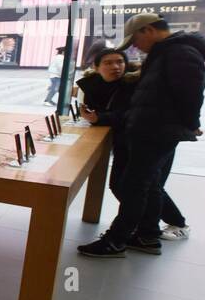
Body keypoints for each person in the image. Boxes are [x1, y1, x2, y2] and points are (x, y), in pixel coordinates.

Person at [78, 15, 205, 258]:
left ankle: (116, 241)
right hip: (149, 130)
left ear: (148, 30)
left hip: (156, 131)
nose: (135, 47)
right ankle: (147, 236)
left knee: (134, 186)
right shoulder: (167, 53)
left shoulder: (179, 53)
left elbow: (191, 94)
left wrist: (191, 124)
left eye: (135, 40)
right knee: (142, 186)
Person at [75, 46, 183, 235]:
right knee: (121, 185)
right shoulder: (92, 84)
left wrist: (99, 118)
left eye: (120, 62)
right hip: (124, 140)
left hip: (149, 139)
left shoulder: (135, 84)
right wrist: (94, 116)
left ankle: (170, 225)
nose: (116, 67)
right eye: (108, 63)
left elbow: (130, 114)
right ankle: (144, 225)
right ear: (97, 66)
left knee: (146, 186)